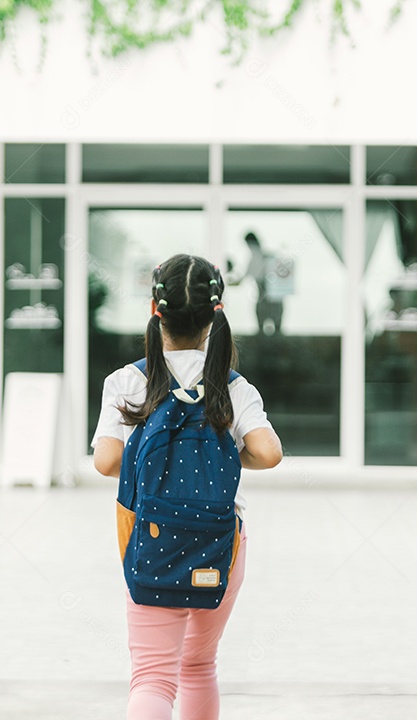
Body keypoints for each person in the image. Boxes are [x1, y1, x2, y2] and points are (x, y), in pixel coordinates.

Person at [92, 254, 283, 720]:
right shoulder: (233, 388)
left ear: (155, 311)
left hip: (152, 540)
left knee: (153, 677)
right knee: (198, 665)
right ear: (215, 315)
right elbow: (269, 452)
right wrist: (215, 459)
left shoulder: (127, 383)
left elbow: (106, 460)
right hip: (221, 544)